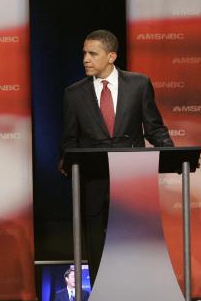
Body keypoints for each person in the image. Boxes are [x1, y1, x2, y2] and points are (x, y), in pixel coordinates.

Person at [59, 30, 174, 279]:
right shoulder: (74, 93)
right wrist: (66, 158)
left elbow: (153, 128)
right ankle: (102, 300)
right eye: (84, 54)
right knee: (96, 243)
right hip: (93, 178)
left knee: (136, 240)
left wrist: (173, 154)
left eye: (92, 54)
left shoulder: (139, 84)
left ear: (111, 56)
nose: (85, 59)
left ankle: (136, 296)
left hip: (132, 178)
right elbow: (69, 139)